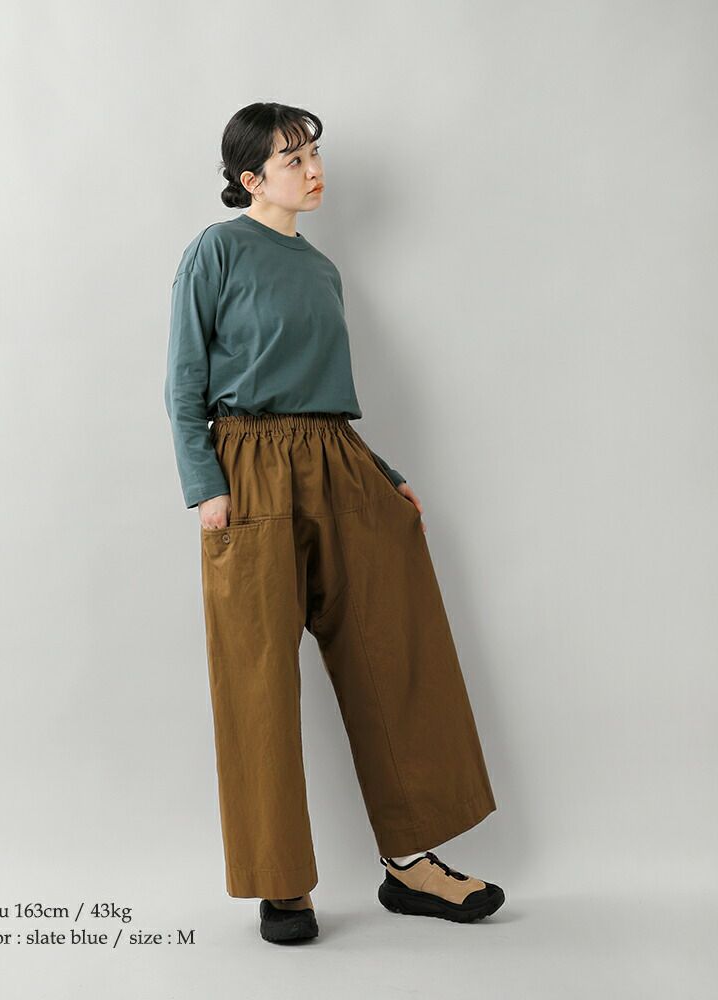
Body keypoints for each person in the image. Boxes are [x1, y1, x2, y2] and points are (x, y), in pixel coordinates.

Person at [164, 101, 505, 944]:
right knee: (257, 676)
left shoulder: (321, 270)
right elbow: (184, 381)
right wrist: (205, 487)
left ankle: (410, 864)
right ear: (251, 178)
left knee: (393, 646)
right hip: (247, 467)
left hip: (335, 459)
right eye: (293, 159)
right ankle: (281, 883)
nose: (314, 170)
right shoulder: (215, 250)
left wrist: (382, 475)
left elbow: (323, 398)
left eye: (315, 154)